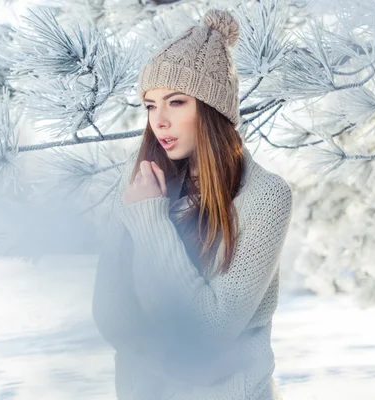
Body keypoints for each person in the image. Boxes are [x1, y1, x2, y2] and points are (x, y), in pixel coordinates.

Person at [92, 8, 293, 400]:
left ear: (212, 108)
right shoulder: (139, 182)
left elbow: (211, 329)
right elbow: (109, 312)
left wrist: (151, 221)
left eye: (176, 102)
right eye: (150, 105)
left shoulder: (266, 198)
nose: (159, 120)